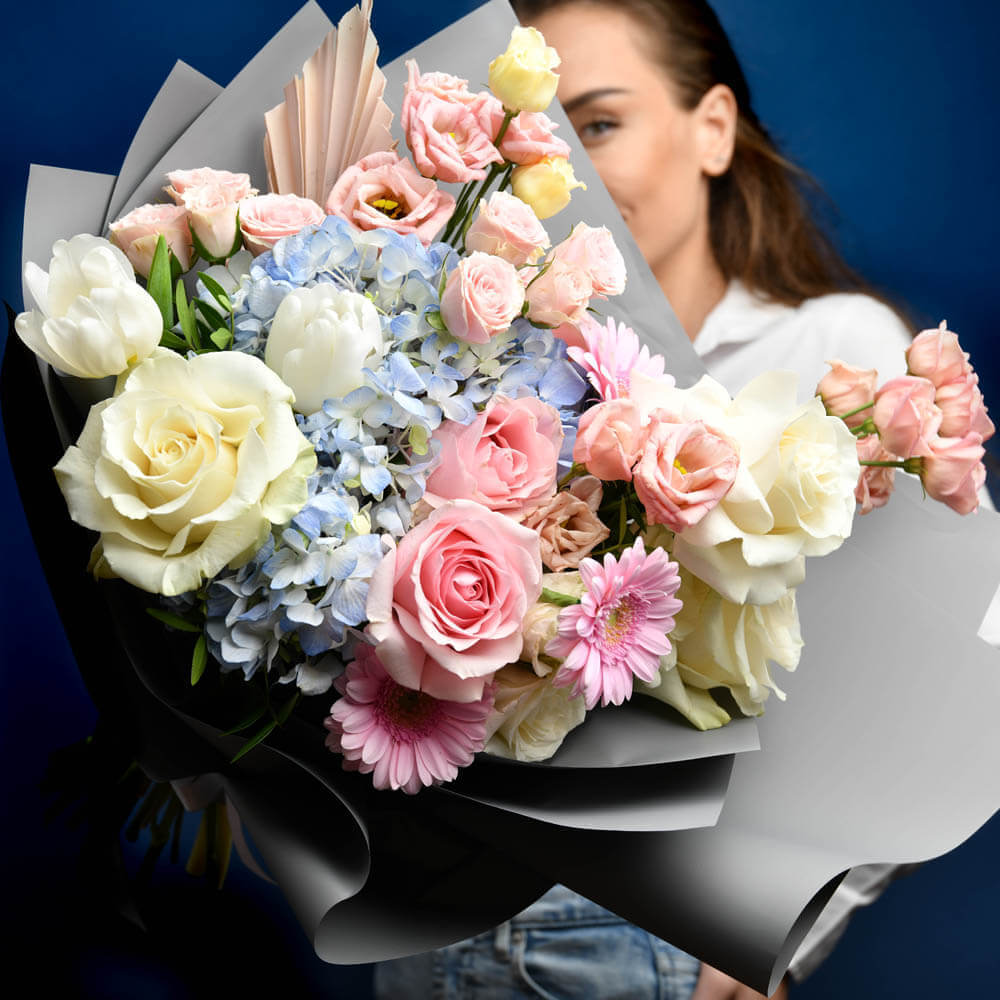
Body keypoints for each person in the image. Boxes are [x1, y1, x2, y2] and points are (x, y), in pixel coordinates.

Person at [376, 1, 914, 997]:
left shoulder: (833, 354)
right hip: (429, 931)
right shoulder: (473, 362)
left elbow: (913, 686)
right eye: (540, 140)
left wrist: (764, 940)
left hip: (648, 945)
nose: (567, 175)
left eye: (601, 124)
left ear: (711, 128)